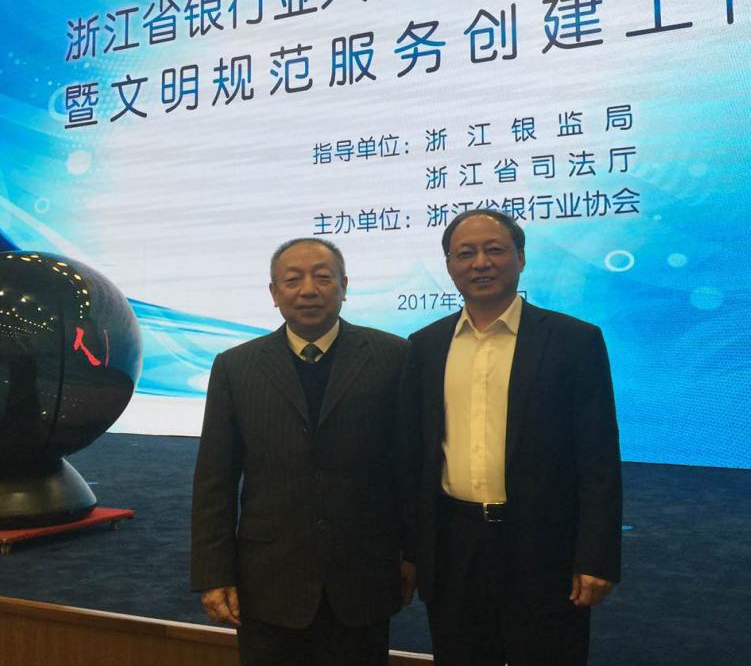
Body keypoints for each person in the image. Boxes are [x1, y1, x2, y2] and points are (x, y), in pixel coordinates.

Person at [400, 209, 622, 665]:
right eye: (465, 253)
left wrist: (597, 557)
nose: (480, 263)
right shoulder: (424, 346)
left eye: (495, 250)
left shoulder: (573, 340)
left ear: (520, 258)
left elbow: (598, 459)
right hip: (454, 546)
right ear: (449, 266)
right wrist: (410, 551)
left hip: (544, 544)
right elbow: (413, 457)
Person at [191, 237, 413, 666]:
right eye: (292, 280)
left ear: (344, 286)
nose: (308, 290)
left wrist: (413, 554)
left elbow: (408, 465)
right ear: (274, 293)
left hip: (363, 573)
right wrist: (213, 572)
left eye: (323, 277)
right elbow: (214, 478)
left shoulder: (393, 356)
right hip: (269, 577)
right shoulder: (236, 366)